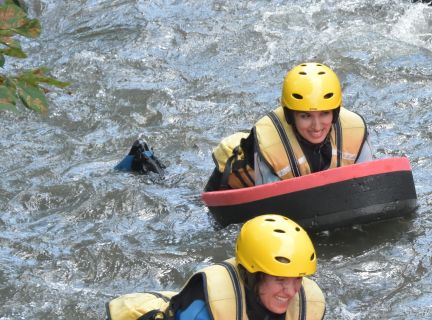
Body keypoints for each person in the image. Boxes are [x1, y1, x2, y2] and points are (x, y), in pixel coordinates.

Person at [107, 214, 326, 319]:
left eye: (297, 278)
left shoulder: (305, 304)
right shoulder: (204, 312)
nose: (290, 291)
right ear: (253, 275)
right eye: (279, 279)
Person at [205, 62, 373, 191]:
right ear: (290, 116)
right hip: (231, 191)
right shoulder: (268, 145)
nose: (316, 126)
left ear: (335, 113)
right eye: (305, 116)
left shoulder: (355, 130)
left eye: (324, 114)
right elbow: (271, 209)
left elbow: (368, 186)